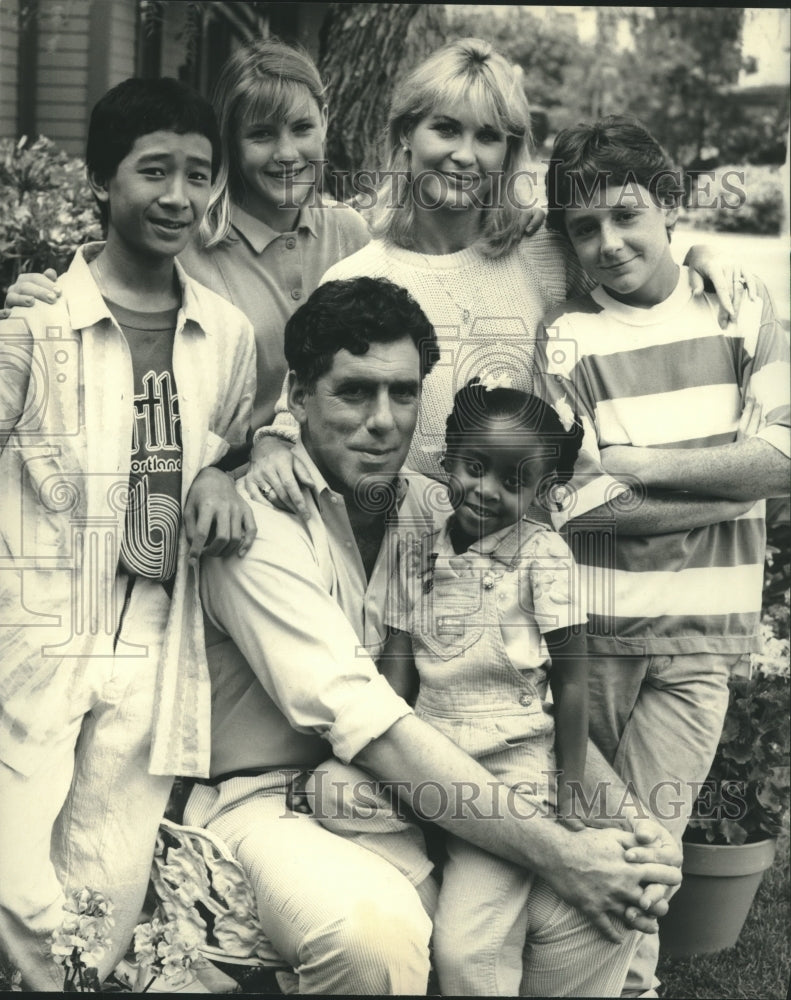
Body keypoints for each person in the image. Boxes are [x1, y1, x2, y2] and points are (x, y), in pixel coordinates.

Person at [190, 275, 683, 996]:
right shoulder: (255, 523)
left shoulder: (443, 510)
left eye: (402, 393)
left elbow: (526, 690)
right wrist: (558, 851)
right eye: (354, 392)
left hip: (450, 775)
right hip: (282, 796)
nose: (384, 420)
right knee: (372, 934)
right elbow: (370, 719)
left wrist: (625, 822)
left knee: (618, 889)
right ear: (297, 396)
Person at [246, 36, 755, 512]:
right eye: (446, 128)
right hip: (411, 562)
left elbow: (635, 279)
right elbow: (306, 406)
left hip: (546, 560)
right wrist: (269, 443)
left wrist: (697, 257)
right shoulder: (356, 277)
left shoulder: (548, 255)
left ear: (507, 152)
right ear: (406, 132)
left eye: (487, 136)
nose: (465, 154)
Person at [0, 78, 257, 990]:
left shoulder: (224, 335)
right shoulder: (35, 321)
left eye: (198, 173)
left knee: (107, 867)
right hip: (41, 621)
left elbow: (230, 442)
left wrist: (224, 472)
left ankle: (75, 981)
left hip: (154, 625)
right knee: (18, 870)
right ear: (102, 179)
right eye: (155, 170)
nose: (178, 196)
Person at [535, 113, 791, 998]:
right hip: (598, 636)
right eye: (582, 228)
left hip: (699, 646)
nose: (607, 244)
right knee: (606, 847)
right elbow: (577, 509)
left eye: (626, 215)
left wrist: (642, 467)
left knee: (650, 845)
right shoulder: (567, 340)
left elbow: (785, 460)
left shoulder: (739, 306)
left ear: (670, 206)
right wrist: (732, 480)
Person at [307, 377, 593, 996]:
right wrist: (379, 760)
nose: (486, 491)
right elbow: (400, 668)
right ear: (448, 458)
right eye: (473, 467)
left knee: (469, 958)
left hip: (507, 772)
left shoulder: (545, 559)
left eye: (514, 482)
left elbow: (574, 683)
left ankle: (480, 900)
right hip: (431, 761)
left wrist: (569, 794)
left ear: (543, 491)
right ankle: (431, 885)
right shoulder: (417, 552)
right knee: (330, 789)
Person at [3, 37, 371, 440]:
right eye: (262, 134)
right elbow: (111, 295)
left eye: (302, 128)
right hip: (221, 476)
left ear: (326, 119)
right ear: (229, 139)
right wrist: (40, 303)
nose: (287, 153)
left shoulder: (349, 230)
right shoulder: (185, 237)